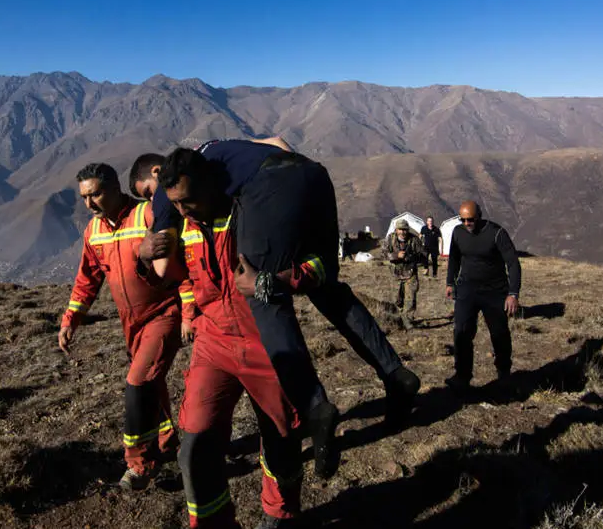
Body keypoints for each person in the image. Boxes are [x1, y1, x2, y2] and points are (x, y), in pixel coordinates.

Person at [130, 143, 421, 476]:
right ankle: (395, 373)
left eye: (148, 193)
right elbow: (280, 141)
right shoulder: (221, 150)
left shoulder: (169, 186)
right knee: (326, 286)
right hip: (311, 174)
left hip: (270, 187)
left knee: (261, 293)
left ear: (156, 173)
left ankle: (315, 408)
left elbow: (163, 268)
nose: (165, 205)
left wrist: (145, 250)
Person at [163, 148, 303, 529]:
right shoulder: (183, 225)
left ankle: (281, 512)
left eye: (188, 200)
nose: (183, 210)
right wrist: (150, 263)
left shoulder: (254, 212)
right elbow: (181, 275)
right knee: (195, 442)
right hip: (213, 342)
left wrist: (270, 282)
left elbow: (309, 259)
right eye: (175, 204)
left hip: (265, 339)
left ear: (210, 184)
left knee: (280, 433)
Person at [59, 163, 182, 491]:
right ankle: (168, 443)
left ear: (115, 188)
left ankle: (139, 464)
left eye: (96, 194)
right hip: (131, 323)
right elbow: (87, 279)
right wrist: (71, 318)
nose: (90, 203)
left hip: (164, 313)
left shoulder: (145, 215)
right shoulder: (93, 231)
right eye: (84, 197)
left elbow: (179, 256)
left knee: (138, 382)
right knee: (152, 383)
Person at [444, 201, 522, 390]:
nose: (466, 223)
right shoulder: (458, 232)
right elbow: (454, 258)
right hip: (467, 290)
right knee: (462, 332)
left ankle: (504, 373)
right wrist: (450, 282)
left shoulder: (496, 233)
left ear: (479, 216)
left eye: (470, 219)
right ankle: (462, 375)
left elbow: (513, 263)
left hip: (494, 291)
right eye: (462, 219)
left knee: (499, 332)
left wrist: (513, 293)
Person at [382, 219, 423, 314]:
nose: (402, 232)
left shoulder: (414, 239)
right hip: (395, 274)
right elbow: (383, 253)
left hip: (411, 273)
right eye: (400, 229)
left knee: (410, 300)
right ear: (396, 230)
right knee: (396, 300)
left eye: (405, 229)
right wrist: (396, 255)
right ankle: (398, 318)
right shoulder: (390, 238)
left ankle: (408, 320)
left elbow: (422, 255)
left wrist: (410, 257)